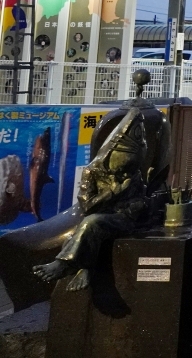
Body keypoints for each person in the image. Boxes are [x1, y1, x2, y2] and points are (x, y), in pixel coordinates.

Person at [32, 110, 149, 291]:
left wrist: (134, 205)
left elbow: (141, 200)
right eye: (123, 165)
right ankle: (85, 267)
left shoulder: (134, 175)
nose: (126, 171)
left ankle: (64, 264)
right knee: (78, 232)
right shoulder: (92, 172)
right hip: (97, 215)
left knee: (91, 223)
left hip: (122, 220)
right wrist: (111, 193)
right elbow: (86, 206)